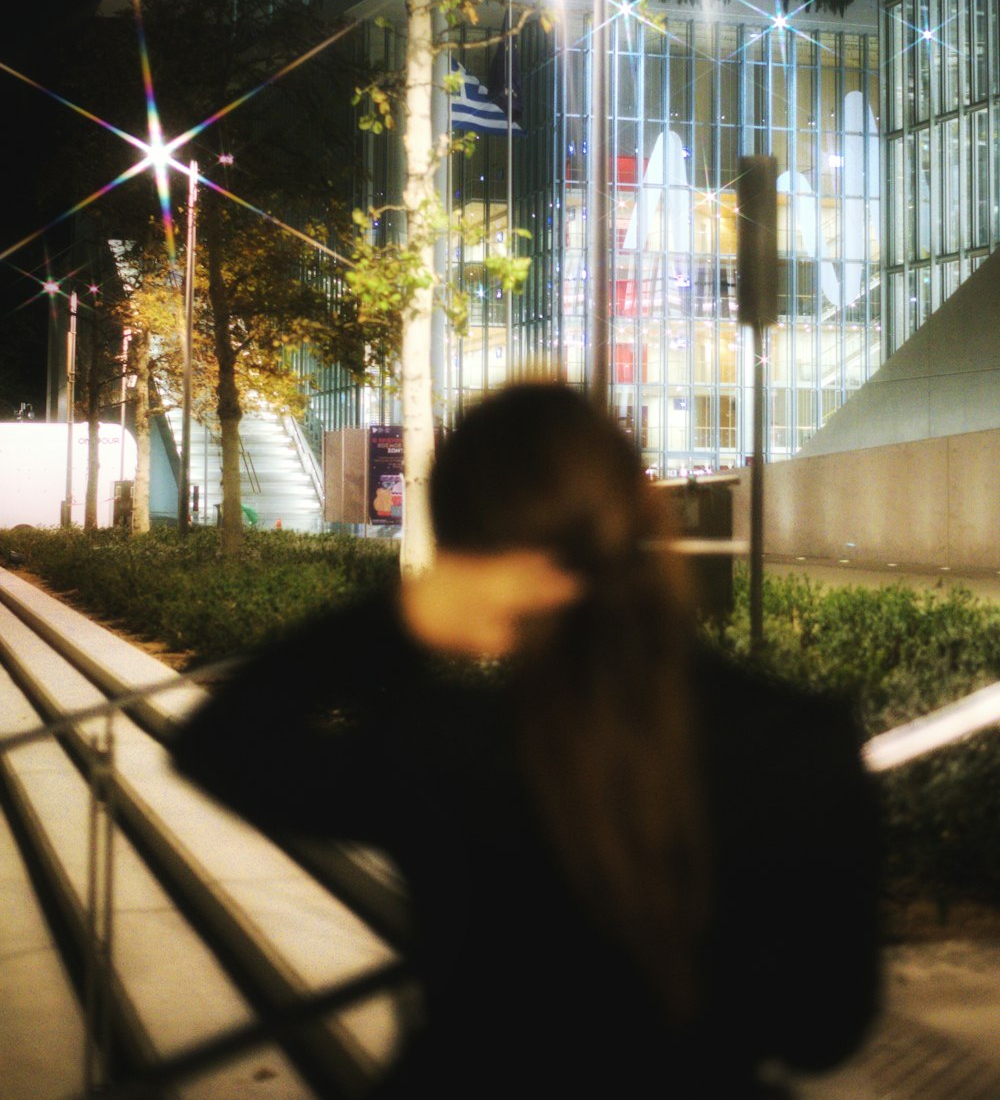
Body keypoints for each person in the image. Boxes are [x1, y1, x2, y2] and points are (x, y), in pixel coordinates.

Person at [172, 382, 880, 1096]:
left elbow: (222, 743)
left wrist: (403, 614)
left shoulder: (447, 747)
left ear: (466, 549)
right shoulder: (799, 740)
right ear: (644, 513)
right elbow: (824, 1030)